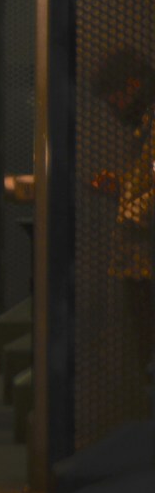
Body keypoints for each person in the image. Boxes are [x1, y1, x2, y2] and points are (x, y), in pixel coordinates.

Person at [89, 47, 155, 418]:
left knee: (147, 344)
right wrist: (122, 187)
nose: (114, 105)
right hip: (140, 263)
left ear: (133, 84)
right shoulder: (145, 125)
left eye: (115, 95)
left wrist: (128, 211)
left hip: (147, 262)